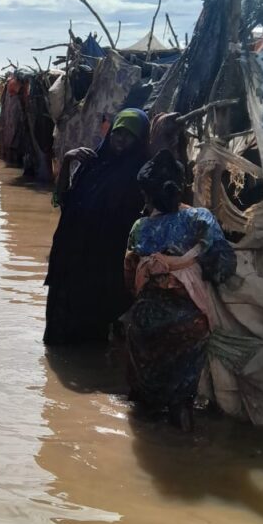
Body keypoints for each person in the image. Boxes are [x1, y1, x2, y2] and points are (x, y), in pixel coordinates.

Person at [124, 149, 235, 430]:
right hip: (189, 323)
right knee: (181, 403)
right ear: (182, 187)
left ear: (147, 195)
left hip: (145, 323)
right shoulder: (201, 219)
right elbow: (224, 265)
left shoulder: (140, 227)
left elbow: (129, 276)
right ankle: (186, 454)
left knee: (144, 402)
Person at [44, 107, 150, 345]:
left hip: (104, 265)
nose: (120, 139)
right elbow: (62, 200)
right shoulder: (92, 163)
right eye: (117, 133)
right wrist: (68, 160)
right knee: (58, 333)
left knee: (93, 335)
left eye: (128, 135)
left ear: (139, 139)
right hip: (70, 259)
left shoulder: (141, 174)